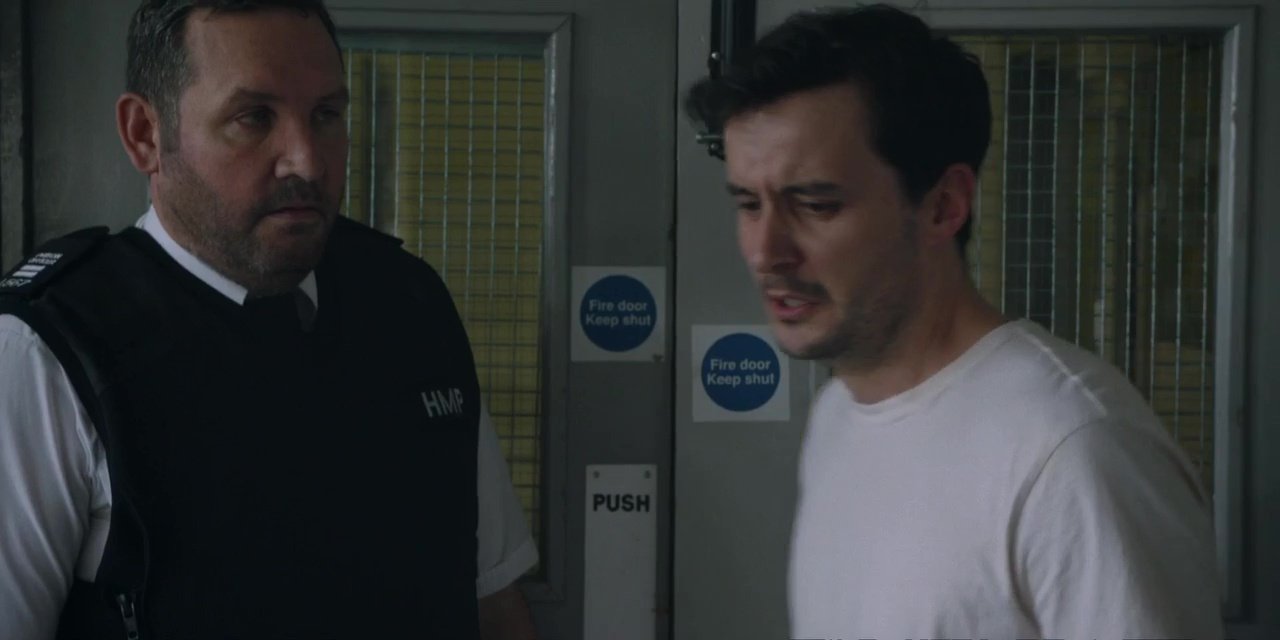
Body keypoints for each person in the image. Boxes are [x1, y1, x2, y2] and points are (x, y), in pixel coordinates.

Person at [0, 1, 539, 638]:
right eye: (254, 118)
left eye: (326, 115)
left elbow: (492, 603)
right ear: (145, 134)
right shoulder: (47, 352)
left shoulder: (409, 303)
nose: (307, 162)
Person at [685, 5, 1222, 639]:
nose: (765, 251)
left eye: (816, 205)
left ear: (943, 206)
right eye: (749, 204)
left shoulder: (1071, 450)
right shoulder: (837, 414)